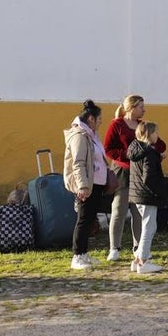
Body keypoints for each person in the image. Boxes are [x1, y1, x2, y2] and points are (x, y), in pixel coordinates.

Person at [103, 95, 158, 261]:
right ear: (131, 107)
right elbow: (108, 149)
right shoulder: (117, 124)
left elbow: (157, 142)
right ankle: (114, 247)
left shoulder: (142, 125)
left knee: (138, 211)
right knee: (119, 209)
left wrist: (155, 152)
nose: (144, 110)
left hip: (139, 172)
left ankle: (138, 247)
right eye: (141, 107)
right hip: (122, 171)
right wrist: (127, 155)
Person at [63, 99, 108, 270]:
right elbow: (78, 163)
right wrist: (82, 186)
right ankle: (77, 256)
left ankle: (83, 253)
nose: (101, 122)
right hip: (87, 184)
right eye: (99, 119)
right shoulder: (79, 136)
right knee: (83, 220)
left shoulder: (91, 135)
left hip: (95, 183)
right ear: (91, 119)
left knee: (89, 219)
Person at [127, 121, 168, 274]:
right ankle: (143, 261)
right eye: (156, 132)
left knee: (148, 225)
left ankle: (137, 260)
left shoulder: (136, 149)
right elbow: (149, 177)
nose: (158, 135)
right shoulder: (149, 152)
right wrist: (158, 191)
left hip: (137, 194)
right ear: (149, 134)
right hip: (147, 195)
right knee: (149, 227)